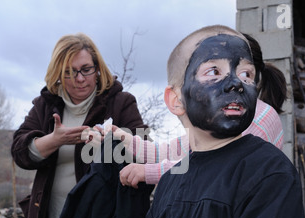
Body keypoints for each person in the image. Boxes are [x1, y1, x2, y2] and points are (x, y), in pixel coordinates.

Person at [127, 25, 305, 218]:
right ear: (176, 100)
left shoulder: (270, 174)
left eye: (246, 74)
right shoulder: (169, 183)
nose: (235, 83)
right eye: (214, 72)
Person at [11, 33, 147, 218]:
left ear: (98, 68)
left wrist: (108, 147)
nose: (79, 79)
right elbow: (19, 152)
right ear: (58, 74)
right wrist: (53, 140)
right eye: (69, 72)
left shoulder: (121, 102)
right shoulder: (45, 106)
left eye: (86, 69)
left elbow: (144, 152)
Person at [112, 33, 285, 188]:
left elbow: (215, 166)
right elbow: (171, 151)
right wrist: (126, 141)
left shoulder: (260, 118)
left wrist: (149, 172)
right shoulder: (224, 115)